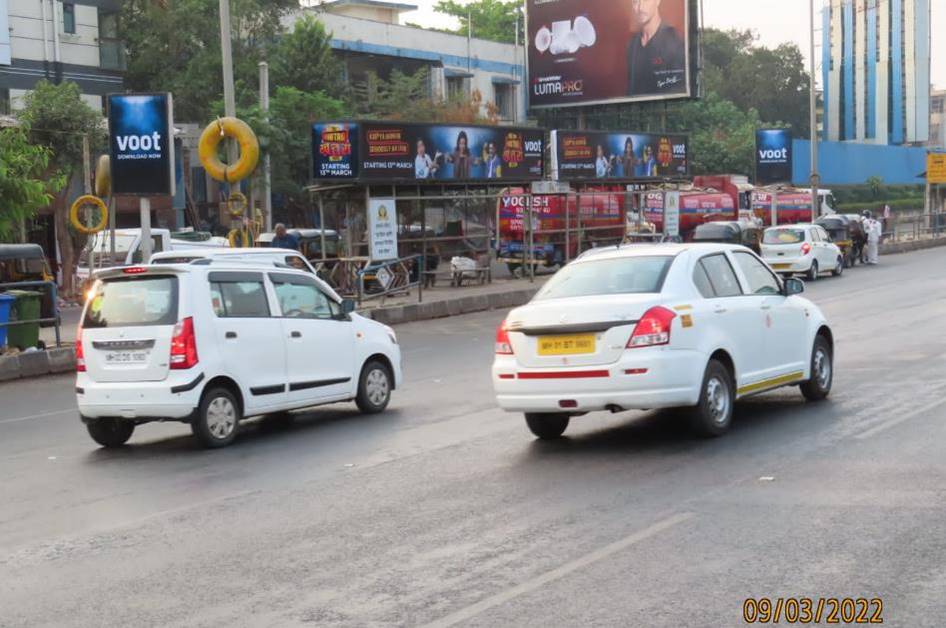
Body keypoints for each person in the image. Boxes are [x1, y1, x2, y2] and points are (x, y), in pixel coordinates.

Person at [626, 0, 687, 97]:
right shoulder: (632, 45)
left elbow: (678, 91)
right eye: (636, 1)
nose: (641, 8)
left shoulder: (676, 41)